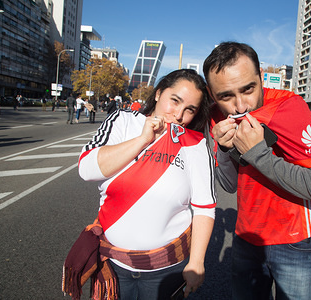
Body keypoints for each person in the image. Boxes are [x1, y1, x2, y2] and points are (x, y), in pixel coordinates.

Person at [63, 69, 217, 300]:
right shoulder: (123, 121)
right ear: (158, 94)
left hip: (168, 265)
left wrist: (196, 263)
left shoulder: (195, 144)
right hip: (114, 263)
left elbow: (204, 207)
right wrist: (143, 140)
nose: (178, 115)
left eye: (190, 110)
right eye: (174, 101)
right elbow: (87, 169)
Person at [204, 42, 311, 300]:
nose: (240, 106)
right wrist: (224, 149)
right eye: (226, 96)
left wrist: (258, 153)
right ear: (211, 93)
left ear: (261, 77)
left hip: (296, 240)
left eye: (248, 89)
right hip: (247, 237)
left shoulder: (290, 107)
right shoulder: (217, 115)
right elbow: (229, 185)